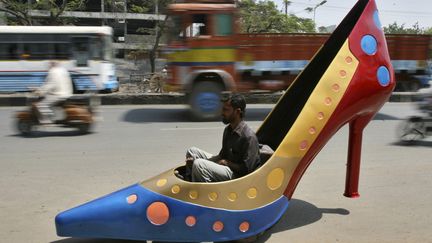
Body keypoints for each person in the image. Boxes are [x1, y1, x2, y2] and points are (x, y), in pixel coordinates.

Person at [184, 93, 261, 182]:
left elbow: (247, 170)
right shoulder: (228, 130)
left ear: (237, 112)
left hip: (237, 176)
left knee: (199, 164)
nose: (222, 113)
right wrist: (197, 161)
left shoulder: (249, 137)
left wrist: (227, 163)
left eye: (226, 110)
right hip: (225, 165)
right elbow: (221, 156)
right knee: (192, 151)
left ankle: (203, 191)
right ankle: (190, 178)